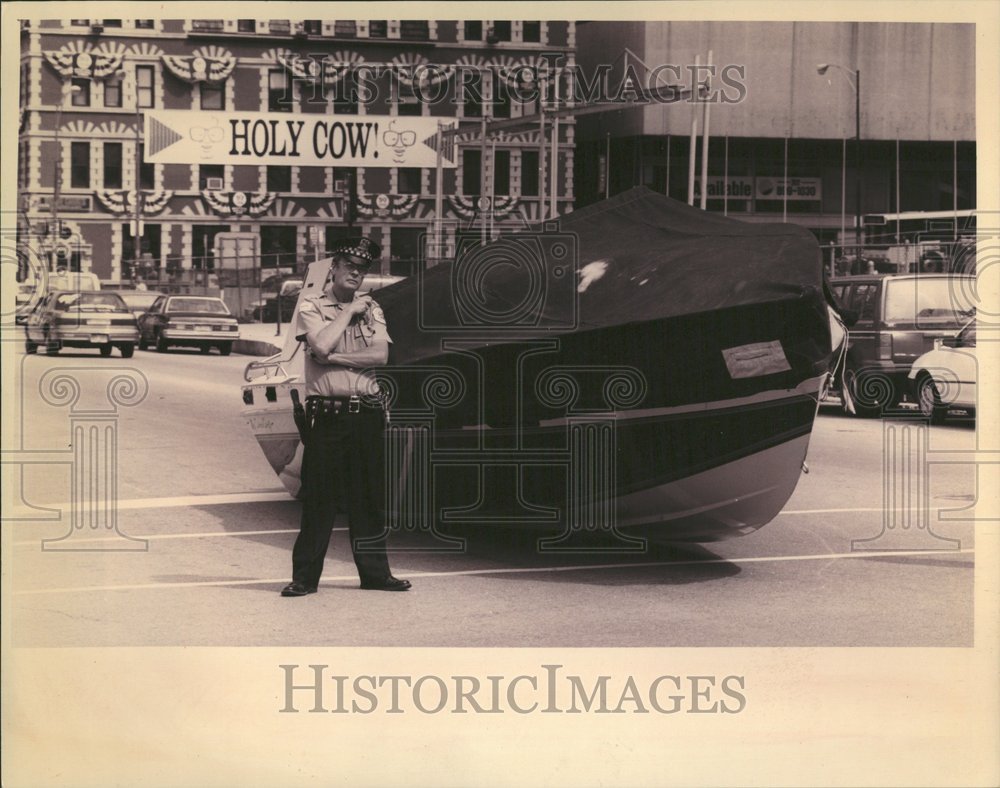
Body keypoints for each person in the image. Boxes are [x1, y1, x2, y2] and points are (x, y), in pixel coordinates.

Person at [281, 237, 411, 595]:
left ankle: (375, 575)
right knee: (320, 498)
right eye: (350, 267)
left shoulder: (374, 308)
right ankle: (304, 578)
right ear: (334, 268)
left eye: (363, 269)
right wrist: (348, 313)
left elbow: (379, 356)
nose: (356, 273)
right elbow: (318, 345)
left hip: (366, 413)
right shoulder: (311, 304)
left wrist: (335, 358)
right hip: (328, 415)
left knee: (368, 498)